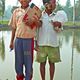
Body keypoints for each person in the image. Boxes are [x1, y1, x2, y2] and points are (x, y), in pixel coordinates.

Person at [8, 0, 41, 80]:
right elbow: (13, 27)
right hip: (18, 41)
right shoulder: (16, 11)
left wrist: (33, 20)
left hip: (28, 41)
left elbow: (40, 24)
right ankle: (19, 77)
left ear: (30, 0)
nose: (24, 0)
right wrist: (11, 41)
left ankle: (28, 78)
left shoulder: (34, 10)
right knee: (18, 62)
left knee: (28, 62)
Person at [35, 0, 67, 80]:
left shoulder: (57, 16)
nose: (54, 4)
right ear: (46, 4)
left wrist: (58, 24)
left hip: (53, 44)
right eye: (52, 2)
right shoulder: (40, 16)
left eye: (55, 3)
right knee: (42, 64)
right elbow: (36, 30)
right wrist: (35, 43)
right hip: (41, 44)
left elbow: (59, 30)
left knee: (52, 64)